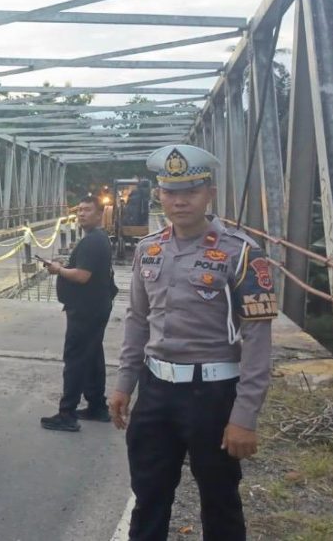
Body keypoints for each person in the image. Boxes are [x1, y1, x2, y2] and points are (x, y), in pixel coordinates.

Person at [108, 145, 278, 541]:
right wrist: (123, 383)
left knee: (219, 501)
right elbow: (137, 320)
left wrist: (244, 416)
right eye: (170, 191)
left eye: (191, 191)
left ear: (210, 194)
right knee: (148, 496)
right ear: (159, 195)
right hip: (155, 390)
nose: (179, 200)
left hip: (213, 394)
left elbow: (257, 341)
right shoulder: (148, 249)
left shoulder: (242, 253)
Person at [40, 195, 117, 431]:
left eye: (87, 210)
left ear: (99, 214)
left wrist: (58, 270)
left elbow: (82, 276)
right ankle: (97, 407)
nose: (81, 214)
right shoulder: (97, 239)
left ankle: (67, 414)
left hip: (86, 310)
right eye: (79, 210)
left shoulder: (93, 241)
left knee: (75, 359)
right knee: (92, 357)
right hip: (95, 306)